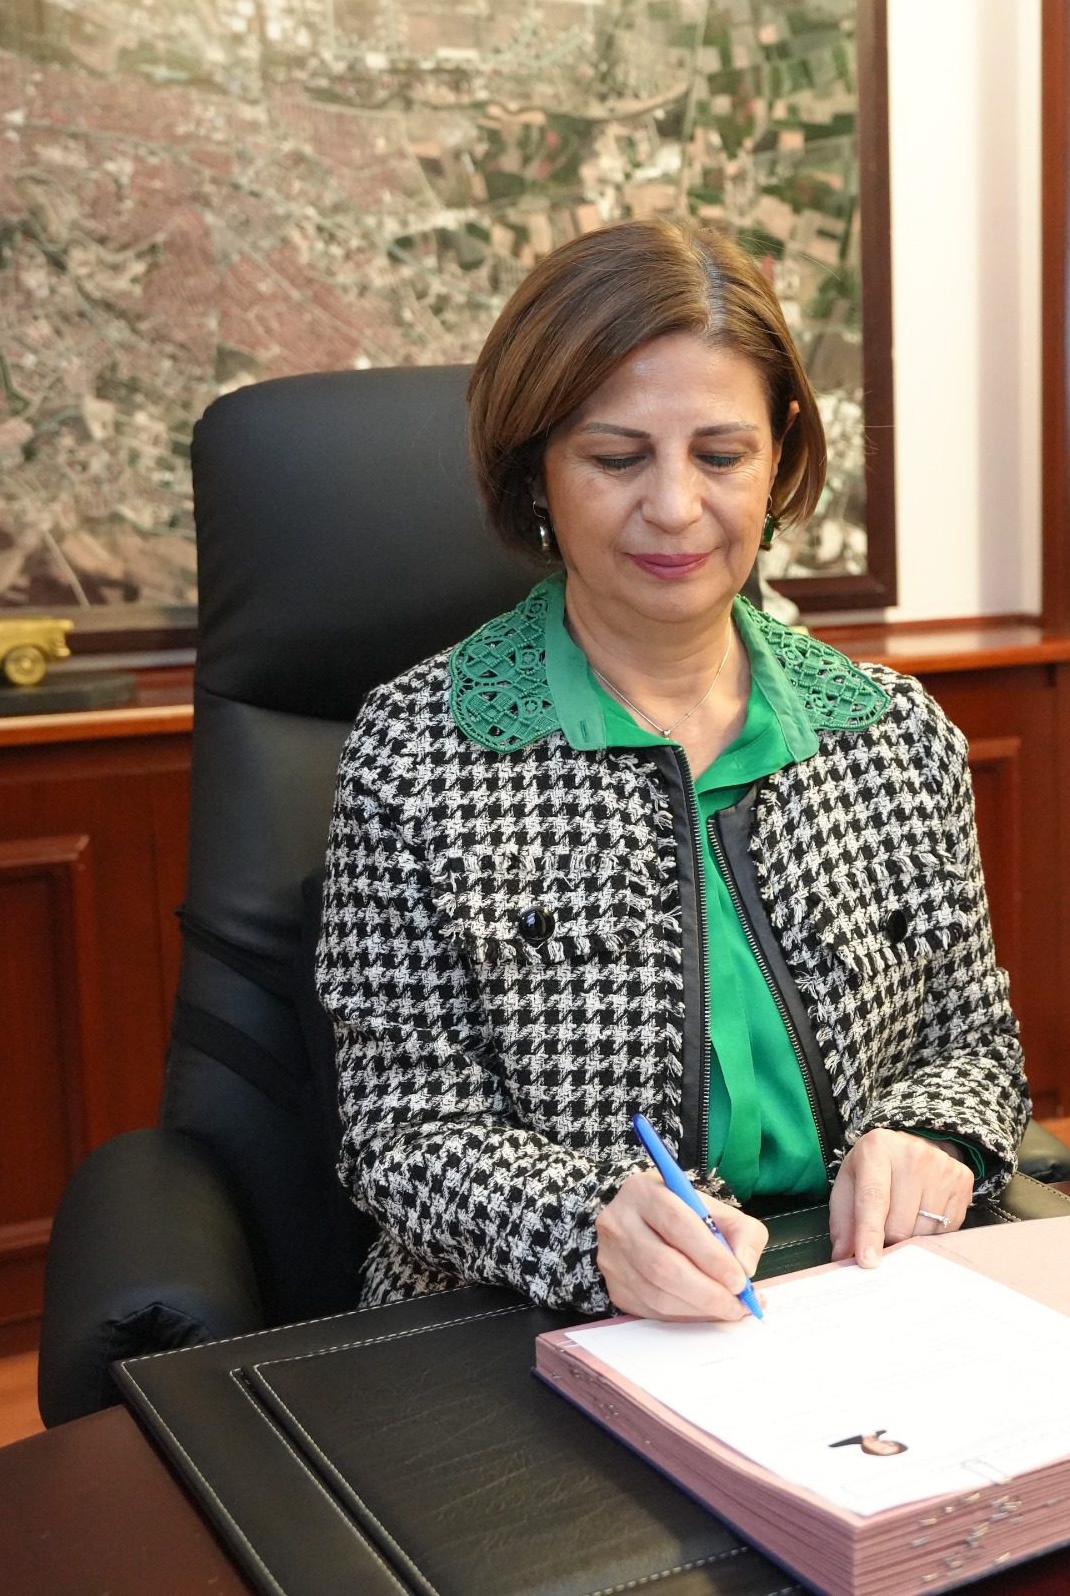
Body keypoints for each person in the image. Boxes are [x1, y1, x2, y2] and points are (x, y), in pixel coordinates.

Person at [319, 217, 1028, 1321]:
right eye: (616, 458)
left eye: (721, 455)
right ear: (536, 470)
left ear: (780, 455)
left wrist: (931, 1133)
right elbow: (403, 1128)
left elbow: (973, 1042)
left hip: (862, 1297)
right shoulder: (417, 752)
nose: (675, 507)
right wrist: (588, 1225)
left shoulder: (894, 733)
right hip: (530, 1316)